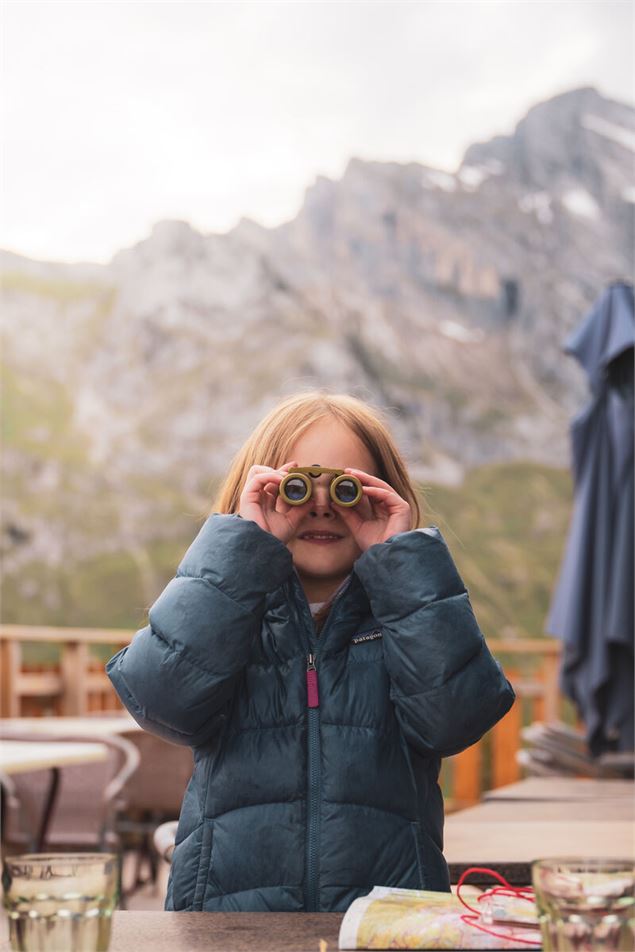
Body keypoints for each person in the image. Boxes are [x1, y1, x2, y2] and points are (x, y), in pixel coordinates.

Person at [106, 391, 515, 912]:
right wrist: (241, 553)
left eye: (349, 489)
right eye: (295, 489)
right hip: (229, 930)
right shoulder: (228, 615)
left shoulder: (407, 617)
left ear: (387, 495)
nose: (321, 505)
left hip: (387, 926)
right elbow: (161, 702)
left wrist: (403, 566)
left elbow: (457, 719)